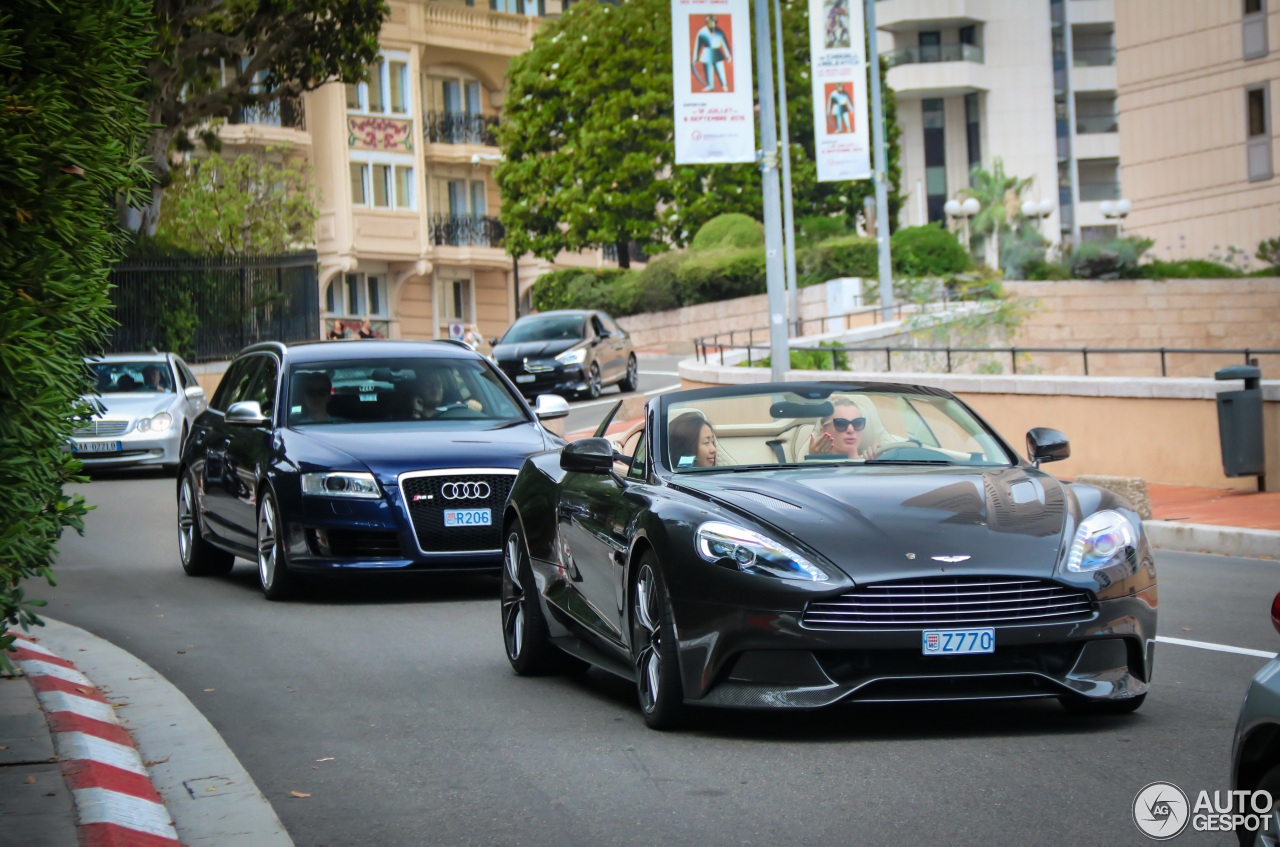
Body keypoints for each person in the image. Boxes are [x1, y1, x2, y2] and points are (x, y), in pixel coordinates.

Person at [808, 394, 866, 459]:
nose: (851, 430)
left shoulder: (876, 465)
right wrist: (814, 461)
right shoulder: (815, 468)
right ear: (824, 432)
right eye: (841, 424)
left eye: (857, 423)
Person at [411, 368, 482, 419]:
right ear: (418, 389)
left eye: (438, 384)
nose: (435, 389)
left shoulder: (455, 407)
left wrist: (473, 406)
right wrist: (416, 413)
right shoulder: (408, 415)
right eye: (428, 386)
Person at [691, 15, 732, 93]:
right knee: (708, 69)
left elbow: (723, 43)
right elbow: (698, 45)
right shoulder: (702, 32)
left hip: (717, 53)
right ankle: (710, 85)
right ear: (707, 23)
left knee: (720, 69)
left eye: (713, 22)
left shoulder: (719, 32)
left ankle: (724, 85)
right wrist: (695, 57)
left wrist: (727, 54)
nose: (711, 24)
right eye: (709, 22)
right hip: (707, 53)